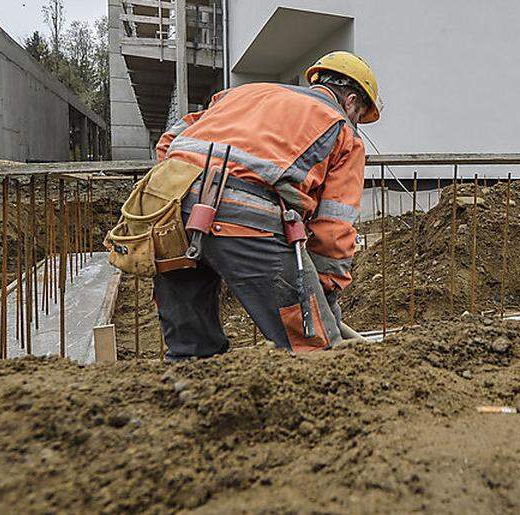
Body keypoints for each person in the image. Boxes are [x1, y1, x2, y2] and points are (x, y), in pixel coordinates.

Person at [151, 51, 380, 356]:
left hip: (169, 213)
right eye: (359, 116)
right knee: (315, 351)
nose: (356, 124)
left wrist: (188, 190)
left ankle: (191, 391)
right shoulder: (340, 128)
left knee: (192, 350)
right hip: (247, 220)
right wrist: (322, 294)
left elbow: (169, 140)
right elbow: (334, 227)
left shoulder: (241, 94)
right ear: (351, 101)